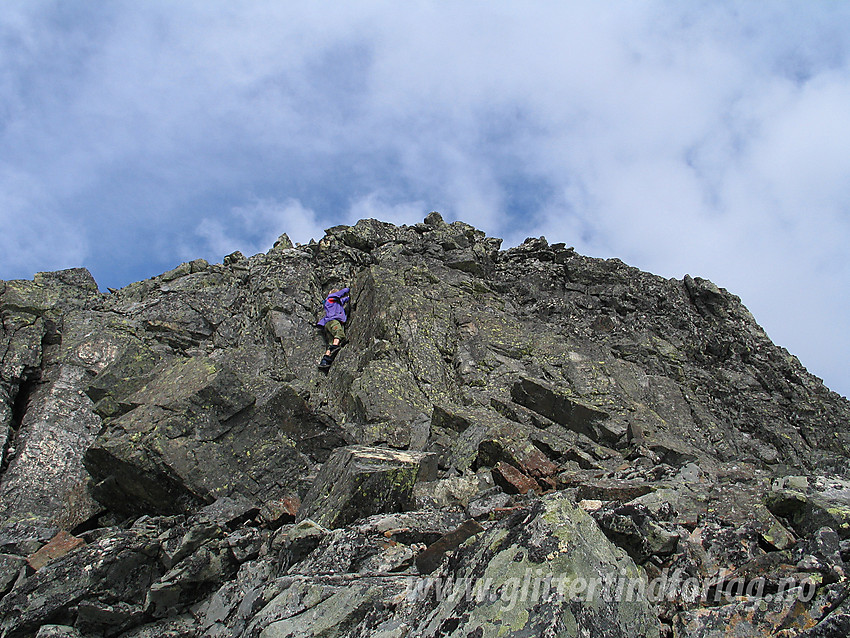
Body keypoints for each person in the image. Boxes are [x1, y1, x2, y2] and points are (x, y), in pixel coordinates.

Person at [317, 286, 350, 369]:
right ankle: (334, 348)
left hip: (328, 323)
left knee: (331, 342)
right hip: (333, 321)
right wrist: (348, 289)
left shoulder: (335, 303)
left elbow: (343, 300)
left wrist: (348, 298)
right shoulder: (330, 298)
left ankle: (325, 360)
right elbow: (340, 294)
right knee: (339, 333)